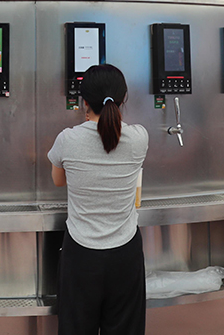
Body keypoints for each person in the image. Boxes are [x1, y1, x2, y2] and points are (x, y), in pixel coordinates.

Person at [48, 64, 149, 335]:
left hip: (81, 255)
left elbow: (58, 180)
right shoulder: (139, 138)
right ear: (123, 99)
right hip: (125, 253)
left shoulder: (68, 139)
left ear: (83, 103)